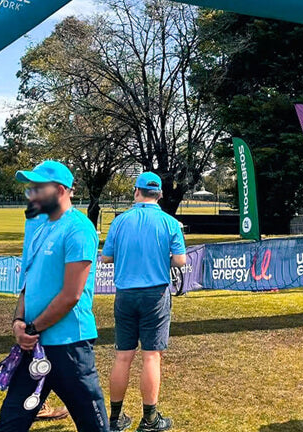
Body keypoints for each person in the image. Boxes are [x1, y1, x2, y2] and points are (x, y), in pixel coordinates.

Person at [0, 160, 109, 432]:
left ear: (59, 190)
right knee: (11, 422)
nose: (31, 195)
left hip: (69, 346)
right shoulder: (42, 227)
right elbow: (28, 284)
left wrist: (32, 328)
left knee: (93, 426)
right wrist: (18, 322)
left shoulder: (79, 228)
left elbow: (71, 294)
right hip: (34, 344)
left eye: (37, 188)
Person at [101, 172, 187, 432]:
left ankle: (115, 419)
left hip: (125, 294)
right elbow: (181, 260)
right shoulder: (170, 223)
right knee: (151, 357)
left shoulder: (120, 222)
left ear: (136, 192)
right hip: (155, 295)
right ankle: (149, 419)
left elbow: (106, 258)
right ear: (159, 194)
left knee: (122, 356)